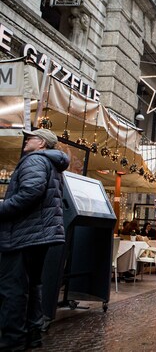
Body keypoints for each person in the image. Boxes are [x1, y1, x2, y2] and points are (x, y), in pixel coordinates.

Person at [0, 129, 70, 350]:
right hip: (38, 235)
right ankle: (33, 335)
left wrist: (2, 208)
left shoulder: (35, 160)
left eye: (30, 137)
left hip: (24, 234)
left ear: (41, 143)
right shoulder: (50, 163)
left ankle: (12, 341)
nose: (26, 140)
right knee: (32, 286)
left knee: (13, 289)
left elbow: (31, 191)